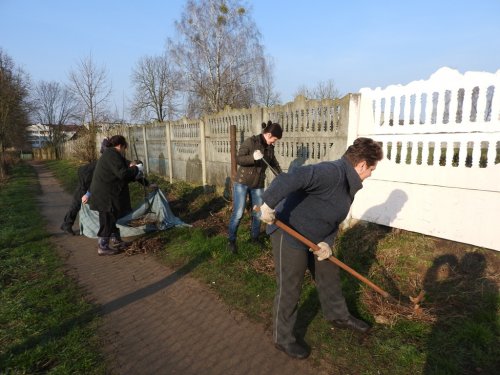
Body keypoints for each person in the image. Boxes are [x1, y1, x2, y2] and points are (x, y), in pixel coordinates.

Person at [258, 137, 383, 359]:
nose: (371, 173)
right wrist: (268, 202)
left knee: (329, 274)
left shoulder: (348, 184)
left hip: (316, 238)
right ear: (362, 164)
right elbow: (291, 178)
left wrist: (328, 241)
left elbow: (332, 218)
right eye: (372, 168)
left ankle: (338, 315)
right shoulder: (331, 172)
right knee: (290, 286)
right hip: (289, 232)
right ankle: (283, 338)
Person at [227, 121, 283, 254]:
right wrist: (253, 158)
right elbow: (239, 158)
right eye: (274, 139)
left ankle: (255, 238)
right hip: (242, 183)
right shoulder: (251, 142)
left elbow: (273, 163)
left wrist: (281, 176)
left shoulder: (270, 148)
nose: (274, 142)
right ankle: (231, 241)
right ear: (269, 134)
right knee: (239, 213)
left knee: (258, 213)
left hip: (257, 185)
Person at [89, 135, 148, 256]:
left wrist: (134, 169)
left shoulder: (111, 154)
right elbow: (122, 174)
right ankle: (102, 247)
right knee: (107, 219)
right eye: (124, 148)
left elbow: (124, 169)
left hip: (105, 193)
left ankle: (115, 240)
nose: (124, 151)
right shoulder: (112, 155)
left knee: (111, 218)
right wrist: (136, 169)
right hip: (105, 195)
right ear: (120, 146)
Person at [60, 138, 109, 235]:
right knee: (76, 205)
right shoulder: (99, 164)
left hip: (89, 186)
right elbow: (82, 172)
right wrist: (85, 189)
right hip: (84, 186)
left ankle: (67, 224)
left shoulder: (102, 162)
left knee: (79, 205)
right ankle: (66, 224)